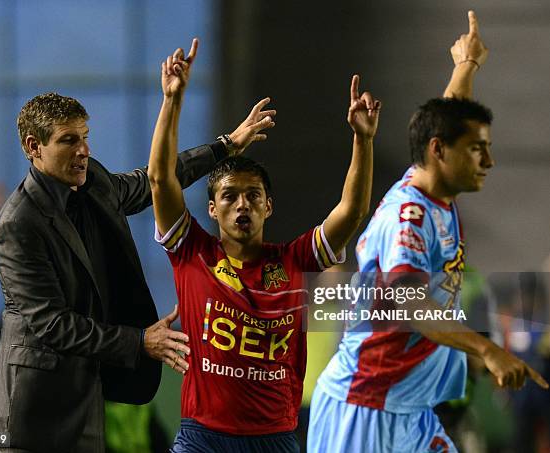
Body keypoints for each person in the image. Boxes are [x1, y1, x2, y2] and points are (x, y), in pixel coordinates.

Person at [0, 62, 273, 452]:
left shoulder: (91, 179)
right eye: (67, 141)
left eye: (85, 137)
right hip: (34, 407)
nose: (83, 151)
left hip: (86, 395)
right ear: (33, 147)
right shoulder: (18, 224)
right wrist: (139, 341)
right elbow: (51, 324)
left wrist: (224, 147)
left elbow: (151, 182)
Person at [308, 11, 549, 453]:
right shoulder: (410, 218)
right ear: (440, 153)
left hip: (411, 409)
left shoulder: (434, 187)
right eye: (478, 150)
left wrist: (467, 65)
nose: (488, 162)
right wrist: (488, 350)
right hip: (366, 409)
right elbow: (412, 303)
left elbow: (446, 124)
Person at [147, 37, 380, 452]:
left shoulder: (295, 261)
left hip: (275, 440)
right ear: (213, 209)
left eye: (253, 196)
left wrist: (362, 140)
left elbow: (353, 211)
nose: (242, 205)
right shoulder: (191, 252)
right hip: (202, 438)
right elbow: (161, 180)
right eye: (230, 196)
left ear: (268, 207)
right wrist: (172, 101)